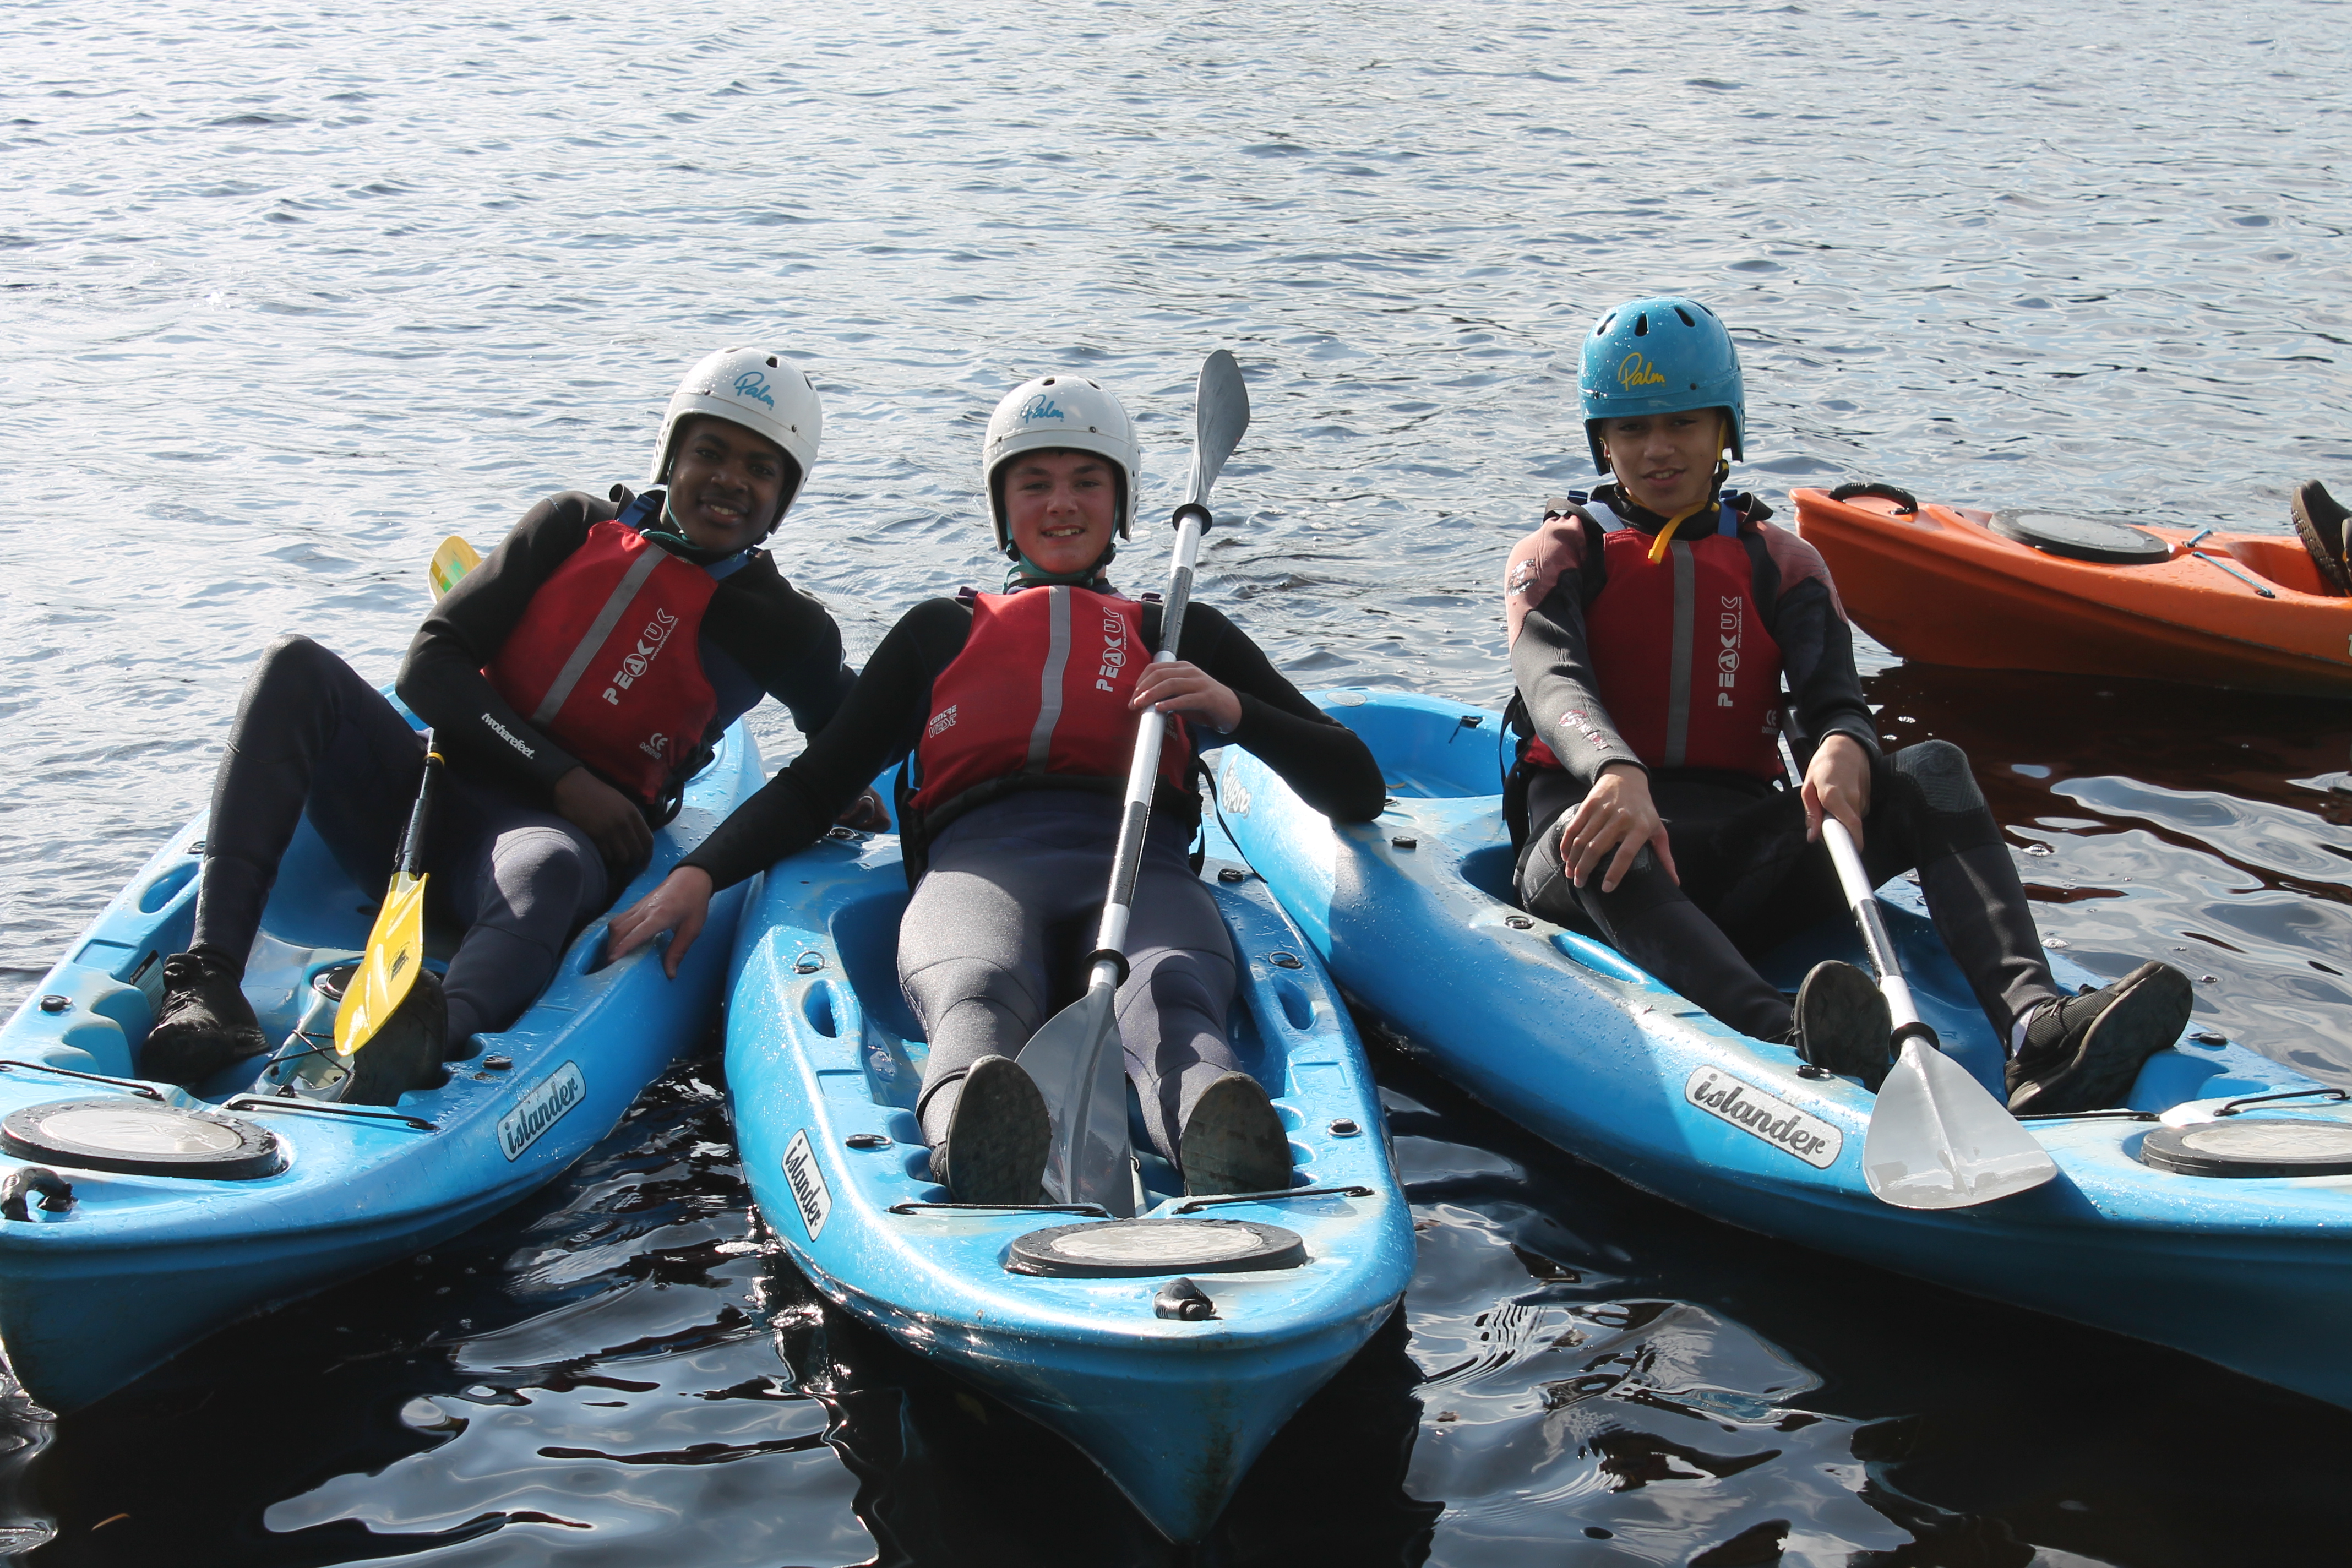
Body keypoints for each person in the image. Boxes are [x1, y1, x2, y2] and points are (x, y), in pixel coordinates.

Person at [608, 372, 1385, 1201]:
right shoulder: (941, 634)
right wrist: (702, 873)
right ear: (1000, 507)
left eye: (1087, 482)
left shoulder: (1178, 635)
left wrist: (1235, 711)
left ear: (1120, 508)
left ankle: (1215, 1133)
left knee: (1175, 1001)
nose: (1061, 505)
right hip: (977, 874)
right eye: (1034, 483)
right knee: (973, 988)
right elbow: (814, 785)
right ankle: (973, 1139)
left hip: (1141, 875)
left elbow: (1357, 787)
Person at [1501, 295, 2192, 1113]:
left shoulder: (1784, 564)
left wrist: (1844, 744)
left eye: (1684, 423)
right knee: (1610, 833)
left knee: (1931, 769)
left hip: (1735, 860)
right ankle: (1784, 1034)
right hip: (1593, 863)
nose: (1658, 450)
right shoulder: (1560, 554)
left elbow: (1835, 699)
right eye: (1632, 429)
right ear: (1603, 441)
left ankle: (2035, 1030)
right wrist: (1613, 768)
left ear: (1726, 428)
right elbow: (1554, 680)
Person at [144, 347, 876, 1092]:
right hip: (420, 795)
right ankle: (207, 984)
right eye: (709, 452)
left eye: (760, 469)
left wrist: (850, 793)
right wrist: (563, 776)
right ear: (671, 454)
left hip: (543, 846)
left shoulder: (786, 629)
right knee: (292, 666)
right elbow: (430, 667)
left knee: (546, 868)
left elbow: (857, 731)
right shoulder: (569, 526)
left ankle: (425, 1039)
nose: (729, 480)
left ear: (785, 495)